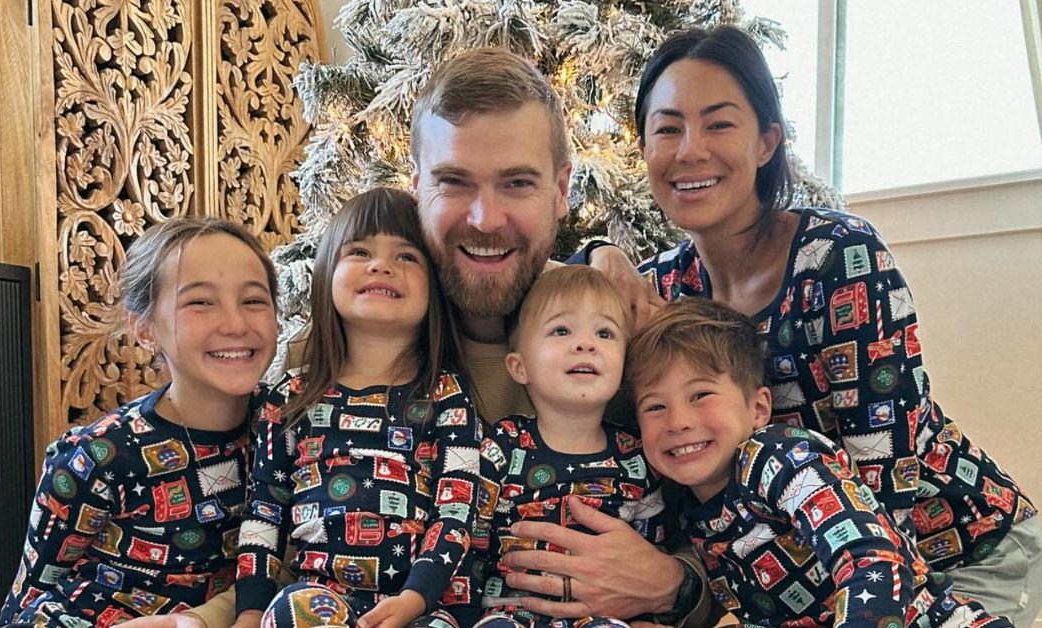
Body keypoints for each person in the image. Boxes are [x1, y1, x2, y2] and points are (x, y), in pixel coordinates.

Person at [576, 26, 1042, 625]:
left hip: (953, 555)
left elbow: (886, 479)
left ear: (767, 141)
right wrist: (600, 253)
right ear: (643, 148)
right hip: (813, 580)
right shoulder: (663, 289)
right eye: (667, 128)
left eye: (719, 123)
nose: (690, 150)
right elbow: (558, 311)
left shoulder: (838, 256)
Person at [409, 47, 712, 627]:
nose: (485, 219)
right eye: (453, 182)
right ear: (417, 184)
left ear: (562, 189)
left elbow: (732, 526)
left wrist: (673, 584)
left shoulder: (628, 345)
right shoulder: (354, 346)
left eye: (518, 182)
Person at [628, 298, 1012, 627]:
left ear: (759, 407)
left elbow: (874, 561)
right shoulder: (680, 508)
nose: (678, 421)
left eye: (700, 395)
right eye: (656, 406)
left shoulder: (779, 458)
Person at [0, 218, 280, 627]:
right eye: (200, 302)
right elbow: (22, 609)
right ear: (145, 329)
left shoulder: (290, 428)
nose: (236, 324)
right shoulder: (97, 456)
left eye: (254, 301)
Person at [232, 188, 481, 628]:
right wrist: (249, 611)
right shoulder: (288, 398)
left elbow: (457, 510)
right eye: (359, 251)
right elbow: (264, 512)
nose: (381, 265)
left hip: (423, 604)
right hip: (318, 598)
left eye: (407, 256)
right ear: (327, 273)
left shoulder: (446, 396)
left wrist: (415, 598)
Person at [469, 265, 665, 628]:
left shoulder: (636, 454)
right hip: (509, 611)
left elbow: (650, 549)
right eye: (562, 330)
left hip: (601, 617)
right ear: (519, 366)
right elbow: (472, 538)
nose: (586, 343)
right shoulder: (503, 445)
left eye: (605, 333)